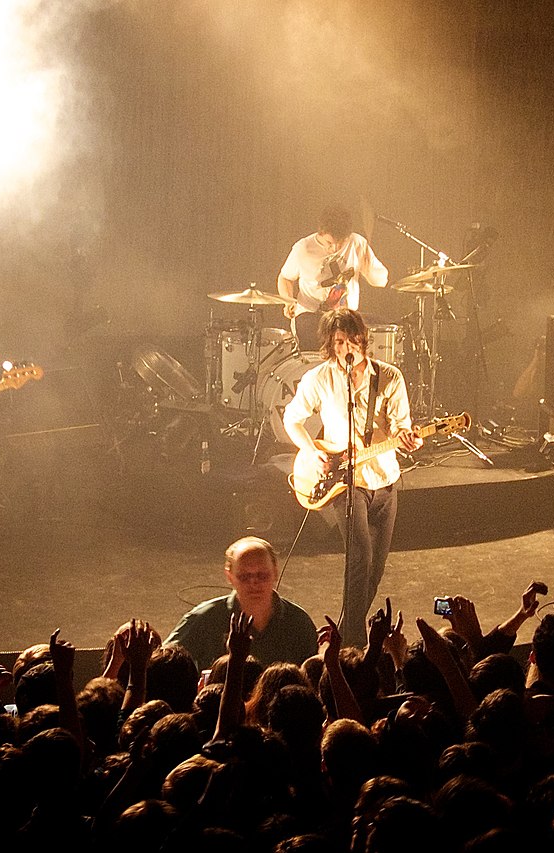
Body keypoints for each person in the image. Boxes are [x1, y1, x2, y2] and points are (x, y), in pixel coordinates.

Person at [282, 309, 422, 646]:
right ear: (331, 345)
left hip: (384, 478)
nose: (348, 348)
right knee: (360, 558)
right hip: (346, 482)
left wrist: (409, 438)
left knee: (375, 569)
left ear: (363, 339)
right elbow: (292, 418)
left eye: (353, 340)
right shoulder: (319, 378)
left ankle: (343, 635)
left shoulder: (389, 377)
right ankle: (354, 644)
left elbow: (402, 426)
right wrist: (311, 451)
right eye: (340, 342)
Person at [165, 536, 318, 671]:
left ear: (275, 572)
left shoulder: (299, 622)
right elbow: (163, 663)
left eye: (262, 575)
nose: (254, 583)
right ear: (229, 575)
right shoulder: (204, 619)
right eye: (244, 577)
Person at [277, 204, 389, 351]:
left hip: (346, 317)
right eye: (329, 243)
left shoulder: (357, 243)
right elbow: (285, 278)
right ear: (320, 233)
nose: (335, 248)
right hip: (311, 316)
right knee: (315, 330)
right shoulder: (303, 248)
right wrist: (288, 301)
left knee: (383, 326)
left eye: (341, 242)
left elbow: (381, 281)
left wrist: (369, 269)